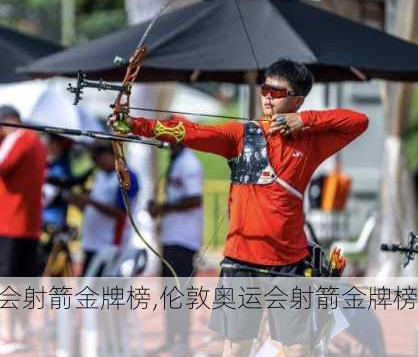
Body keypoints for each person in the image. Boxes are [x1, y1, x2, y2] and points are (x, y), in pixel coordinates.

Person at [109, 59, 369, 357]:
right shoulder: (241, 135)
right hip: (240, 262)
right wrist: (134, 124)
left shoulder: (311, 141)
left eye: (276, 91)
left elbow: (359, 120)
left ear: (297, 100)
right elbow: (190, 132)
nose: (267, 97)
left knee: (297, 349)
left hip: (287, 264)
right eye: (265, 89)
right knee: (235, 349)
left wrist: (306, 119)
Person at [0, 105, 46, 354]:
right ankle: (19, 332)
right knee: (22, 280)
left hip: (7, 223)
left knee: (2, 281)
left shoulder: (20, 137)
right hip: (25, 224)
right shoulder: (35, 142)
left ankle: (7, 335)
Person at [148, 122, 204, 353]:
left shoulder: (189, 163)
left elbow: (194, 199)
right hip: (172, 238)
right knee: (169, 291)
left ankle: (182, 340)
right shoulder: (175, 162)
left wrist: (163, 207)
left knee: (181, 290)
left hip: (185, 239)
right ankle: (173, 337)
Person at [69, 141, 139, 277]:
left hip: (110, 247)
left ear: (111, 155)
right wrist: (77, 201)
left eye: (97, 158)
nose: (95, 163)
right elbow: (92, 209)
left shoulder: (126, 177)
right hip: (91, 244)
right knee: (87, 294)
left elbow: (121, 213)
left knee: (106, 295)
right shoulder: (100, 176)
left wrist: (90, 201)